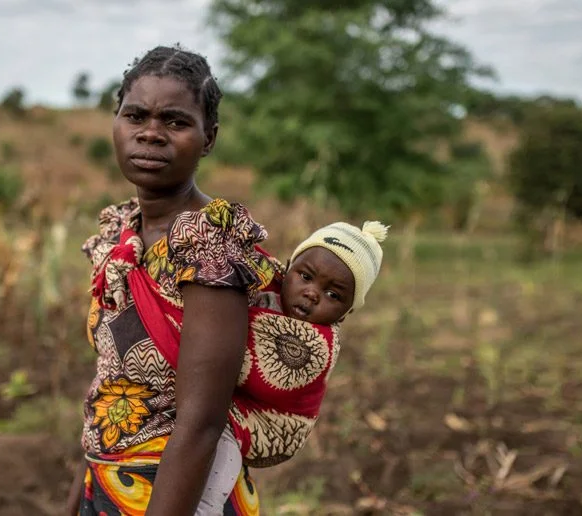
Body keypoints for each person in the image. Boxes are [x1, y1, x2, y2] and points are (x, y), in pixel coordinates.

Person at [65, 44, 277, 516]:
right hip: (109, 483)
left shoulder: (208, 247)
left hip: (178, 496)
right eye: (135, 116)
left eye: (176, 122)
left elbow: (201, 422)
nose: (151, 135)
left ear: (209, 138)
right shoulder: (122, 235)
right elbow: (110, 383)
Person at [195, 220, 389, 515]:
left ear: (346, 314)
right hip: (233, 405)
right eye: (306, 276)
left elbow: (241, 361)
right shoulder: (265, 290)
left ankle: (205, 508)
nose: (312, 293)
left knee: (219, 457)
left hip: (265, 424)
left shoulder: (317, 345)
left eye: (333, 295)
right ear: (287, 269)